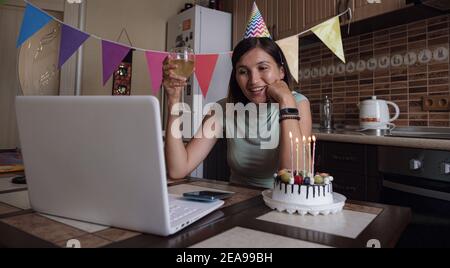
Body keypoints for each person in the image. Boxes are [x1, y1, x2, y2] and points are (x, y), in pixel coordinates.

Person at [163, 37, 312, 188]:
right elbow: (178, 170)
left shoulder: (298, 103)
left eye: (263, 68)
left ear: (281, 72)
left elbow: (296, 177)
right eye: (243, 71)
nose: (253, 80)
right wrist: (173, 100)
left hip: (281, 201)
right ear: (236, 77)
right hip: (238, 200)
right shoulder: (223, 109)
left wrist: (286, 100)